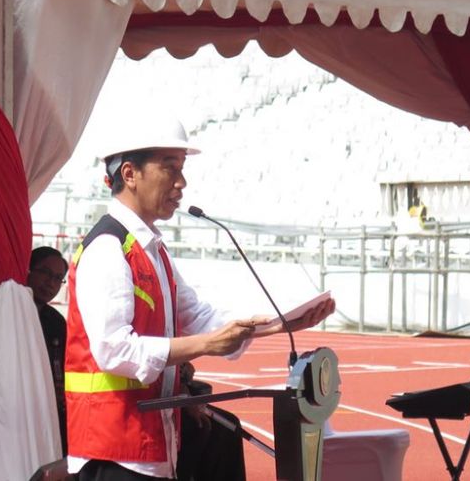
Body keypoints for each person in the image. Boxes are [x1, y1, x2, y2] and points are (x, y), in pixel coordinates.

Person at [65, 115, 335, 480]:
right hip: (113, 449)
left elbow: (198, 315)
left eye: (182, 168)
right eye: (169, 167)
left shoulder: (151, 251)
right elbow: (114, 350)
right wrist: (207, 344)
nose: (181, 182)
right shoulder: (108, 250)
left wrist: (277, 325)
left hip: (148, 440)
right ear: (129, 174)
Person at [27, 246, 69, 455]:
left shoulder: (56, 321)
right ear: (28, 269)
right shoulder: (9, 309)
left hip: (48, 410)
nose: (50, 283)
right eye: (45, 273)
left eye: (58, 278)